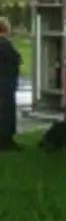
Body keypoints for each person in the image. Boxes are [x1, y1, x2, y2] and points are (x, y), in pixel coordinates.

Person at [0, 17, 21, 151]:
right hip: (5, 81)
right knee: (7, 111)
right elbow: (16, 58)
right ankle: (5, 140)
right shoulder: (4, 44)